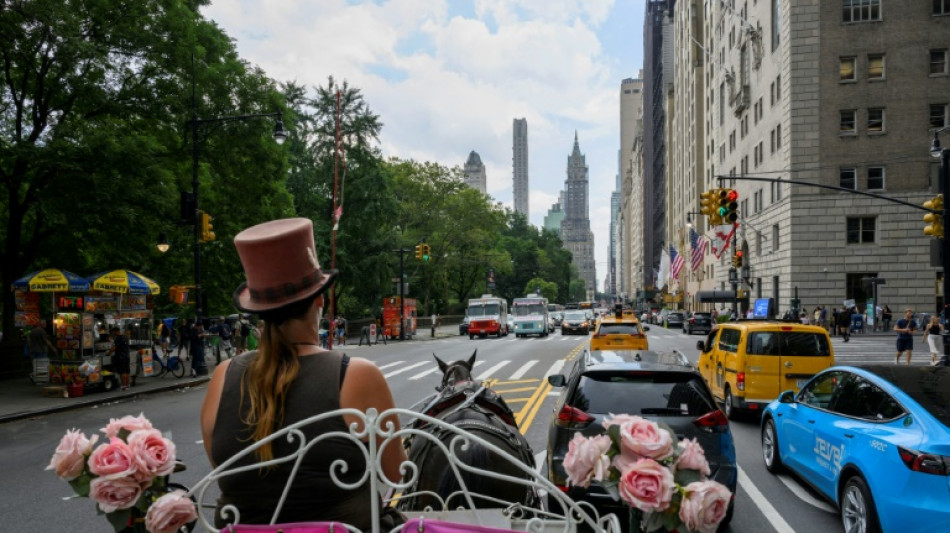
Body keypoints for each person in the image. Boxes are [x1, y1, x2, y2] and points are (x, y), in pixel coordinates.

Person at [199, 218, 406, 530]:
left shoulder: (223, 375)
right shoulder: (356, 374)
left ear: (258, 311)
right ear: (319, 300)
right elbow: (396, 473)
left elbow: (224, 467)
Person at [106, 326, 131, 390]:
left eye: (113, 332)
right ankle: (127, 385)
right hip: (127, 355)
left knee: (122, 372)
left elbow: (114, 348)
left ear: (115, 331)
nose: (113, 333)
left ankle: (123, 386)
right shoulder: (125, 337)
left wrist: (108, 352)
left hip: (120, 356)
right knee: (127, 371)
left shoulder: (118, 338)